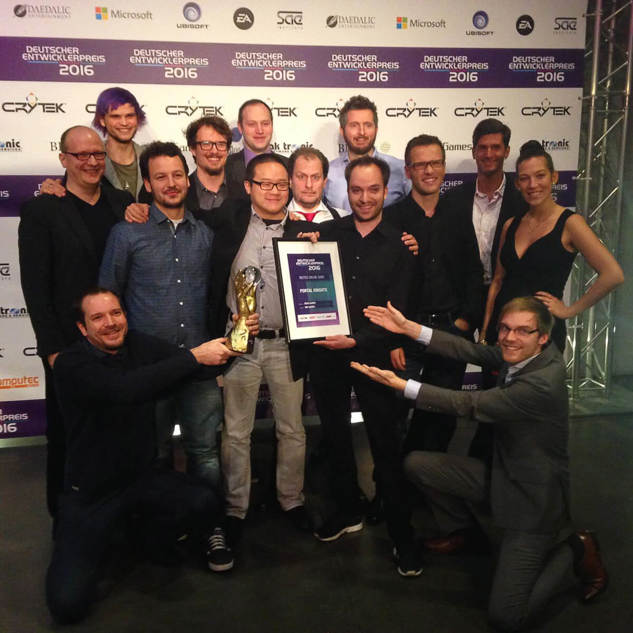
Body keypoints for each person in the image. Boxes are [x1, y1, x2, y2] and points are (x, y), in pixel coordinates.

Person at [353, 297, 608, 631]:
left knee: (506, 617)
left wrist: (404, 386)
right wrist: (410, 328)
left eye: (522, 331)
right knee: (416, 464)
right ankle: (466, 533)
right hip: (500, 476)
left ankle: (575, 547)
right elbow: (468, 351)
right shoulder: (518, 355)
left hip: (532, 505)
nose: (509, 337)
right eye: (504, 328)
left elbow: (469, 403)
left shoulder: (542, 382)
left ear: (543, 337)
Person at [47, 288, 237, 624]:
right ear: (82, 328)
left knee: (205, 500)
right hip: (92, 493)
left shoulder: (138, 344)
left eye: (116, 313)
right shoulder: (70, 363)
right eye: (98, 317)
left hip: (141, 478)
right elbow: (123, 389)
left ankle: (141, 535)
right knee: (66, 605)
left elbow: (201, 371)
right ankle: (111, 537)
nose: (110, 323)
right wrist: (194, 356)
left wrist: (235, 340)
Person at [99, 141, 242, 493]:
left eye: (178, 174)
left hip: (200, 364)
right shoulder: (127, 233)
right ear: (147, 185)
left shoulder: (206, 235)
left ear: (188, 179)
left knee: (205, 454)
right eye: (160, 177)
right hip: (147, 368)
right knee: (154, 454)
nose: (171, 183)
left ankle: (207, 528)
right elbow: (108, 296)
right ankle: (159, 532)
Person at [309, 156, 421, 577]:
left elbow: (398, 316)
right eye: (356, 190)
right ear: (345, 189)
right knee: (336, 439)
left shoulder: (399, 244)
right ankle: (346, 511)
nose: (364, 198)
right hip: (326, 354)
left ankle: (402, 535)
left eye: (373, 190)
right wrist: (303, 244)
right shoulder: (325, 235)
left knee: (385, 447)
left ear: (387, 189)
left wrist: (356, 340)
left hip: (374, 356)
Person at [18, 125, 133, 517]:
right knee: (68, 437)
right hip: (68, 346)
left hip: (119, 342)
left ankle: (116, 516)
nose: (90, 162)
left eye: (97, 154)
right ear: (64, 159)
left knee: (118, 434)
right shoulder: (42, 210)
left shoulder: (122, 202)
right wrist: (51, 351)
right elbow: (34, 287)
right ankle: (64, 519)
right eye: (80, 155)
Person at [206, 154, 311, 542]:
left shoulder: (304, 232)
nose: (274, 191)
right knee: (235, 432)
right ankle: (235, 507)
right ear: (248, 186)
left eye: (281, 184)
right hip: (239, 345)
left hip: (286, 344)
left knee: (293, 429)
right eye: (264, 183)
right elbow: (179, 207)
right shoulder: (227, 223)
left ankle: (292, 499)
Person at [384, 134, 483, 454]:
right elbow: (384, 284)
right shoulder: (393, 218)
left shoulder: (458, 213)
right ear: (408, 171)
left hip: (452, 331)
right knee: (395, 414)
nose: (429, 170)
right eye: (420, 164)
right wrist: (394, 339)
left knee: (442, 415)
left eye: (435, 163)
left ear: (443, 167)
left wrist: (466, 322)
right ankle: (395, 492)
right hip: (407, 334)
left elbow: (472, 271)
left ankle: (427, 485)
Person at [480, 140, 624, 351]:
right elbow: (498, 281)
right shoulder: (511, 225)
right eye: (525, 179)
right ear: (518, 184)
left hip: (542, 335)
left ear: (554, 177)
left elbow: (613, 274)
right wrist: (485, 332)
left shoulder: (570, 224)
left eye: (540, 176)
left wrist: (570, 310)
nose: (533, 185)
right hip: (502, 331)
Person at [444, 119, 528, 314]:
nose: (489, 154)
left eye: (496, 147)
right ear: (474, 151)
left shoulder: (522, 201)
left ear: (506, 151)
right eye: (482, 148)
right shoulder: (452, 199)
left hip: (509, 299)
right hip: (461, 299)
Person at [39, 87, 148, 200]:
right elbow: (66, 191)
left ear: (137, 118)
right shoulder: (87, 160)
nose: (124, 123)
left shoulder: (151, 158)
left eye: (129, 116)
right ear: (102, 120)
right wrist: (51, 189)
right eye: (115, 116)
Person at [324, 95, 410, 212]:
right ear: (342, 131)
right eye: (354, 125)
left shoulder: (400, 169)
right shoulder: (328, 172)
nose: (362, 132)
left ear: (376, 129)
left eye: (368, 125)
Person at [224, 99, 288, 200]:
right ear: (240, 127)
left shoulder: (289, 167)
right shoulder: (225, 167)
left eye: (265, 123)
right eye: (251, 124)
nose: (259, 130)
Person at [185, 115, 233, 212]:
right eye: (206, 144)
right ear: (193, 149)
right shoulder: (181, 192)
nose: (214, 151)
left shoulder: (243, 190)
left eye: (221, 144)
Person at [287, 146, 345, 222]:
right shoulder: (278, 220)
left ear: (324, 182)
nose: (309, 185)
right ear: (290, 181)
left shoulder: (343, 218)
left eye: (315, 177)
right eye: (301, 177)